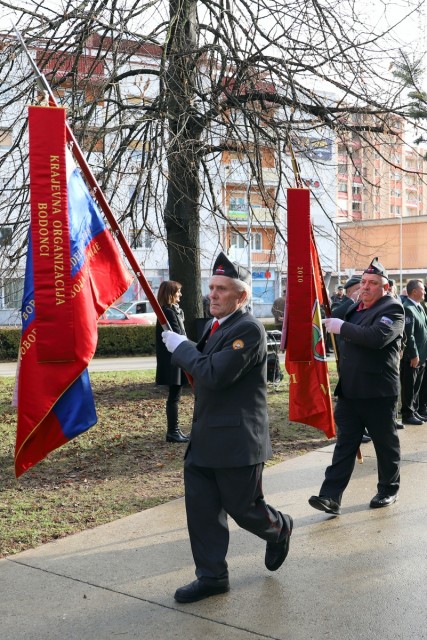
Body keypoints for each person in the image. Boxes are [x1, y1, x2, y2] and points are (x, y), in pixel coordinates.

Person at [162, 252, 293, 603]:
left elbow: (215, 374)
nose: (213, 294)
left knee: (244, 510)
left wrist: (183, 348)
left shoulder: (247, 329)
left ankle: (279, 528)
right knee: (202, 513)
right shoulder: (214, 326)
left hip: (236, 440)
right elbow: (202, 374)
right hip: (205, 437)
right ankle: (212, 577)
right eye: (211, 287)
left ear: (242, 296)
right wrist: (189, 351)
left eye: (222, 289)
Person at [308, 257, 404, 515]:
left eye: (373, 283)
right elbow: (326, 317)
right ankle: (330, 497)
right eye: (363, 282)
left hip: (377, 392)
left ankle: (388, 489)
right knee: (345, 445)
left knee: (385, 445)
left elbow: (376, 338)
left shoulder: (392, 309)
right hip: (350, 391)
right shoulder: (355, 307)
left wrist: (343, 327)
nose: (366, 287)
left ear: (385, 287)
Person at [155, 281, 190, 444]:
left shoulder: (172, 310)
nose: (180, 295)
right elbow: (178, 334)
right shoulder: (168, 312)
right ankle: (173, 431)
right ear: (170, 294)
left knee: (175, 395)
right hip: (173, 359)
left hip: (175, 357)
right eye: (178, 292)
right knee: (174, 396)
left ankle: (174, 431)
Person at [400, 279, 427, 425]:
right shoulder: (408, 308)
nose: (425, 291)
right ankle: (407, 413)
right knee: (409, 386)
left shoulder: (419, 307)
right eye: (423, 289)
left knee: (417, 385)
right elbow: (408, 335)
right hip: (413, 356)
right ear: (415, 291)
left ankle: (414, 410)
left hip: (422, 354)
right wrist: (414, 354)